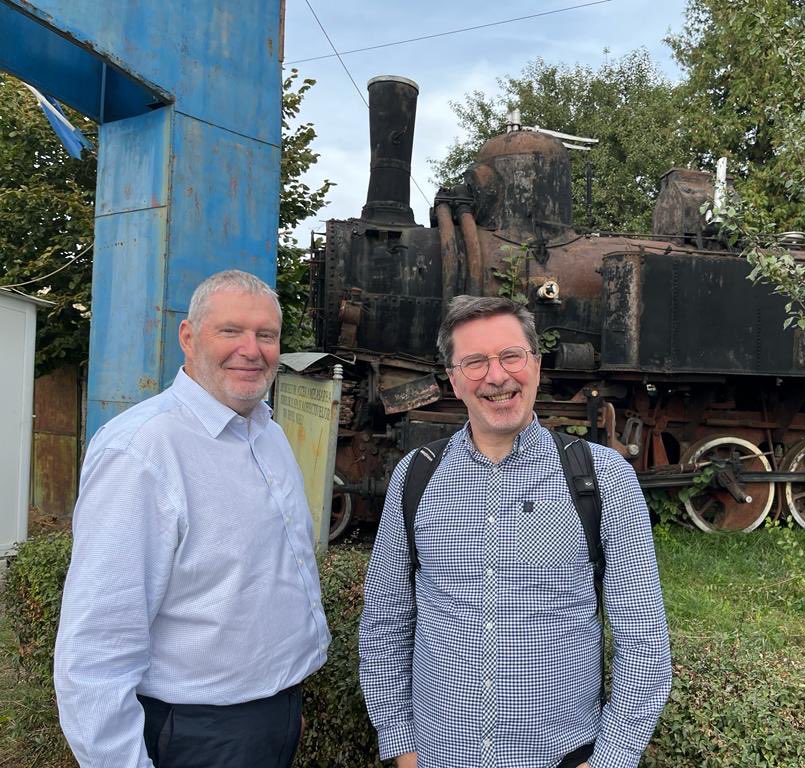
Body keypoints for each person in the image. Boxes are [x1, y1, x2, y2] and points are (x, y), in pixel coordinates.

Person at [359, 295, 671, 768]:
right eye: (475, 362)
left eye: (511, 356)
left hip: (560, 756)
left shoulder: (601, 477)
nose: (497, 376)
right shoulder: (416, 475)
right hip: (441, 755)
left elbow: (643, 636)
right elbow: (385, 621)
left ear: (537, 365)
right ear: (454, 380)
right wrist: (401, 745)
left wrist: (610, 759)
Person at [54, 270, 331, 768]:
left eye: (266, 334)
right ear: (187, 337)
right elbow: (96, 646)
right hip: (197, 733)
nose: (252, 349)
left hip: (270, 713)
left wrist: (282, 705)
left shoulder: (266, 431)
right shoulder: (142, 451)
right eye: (230, 331)